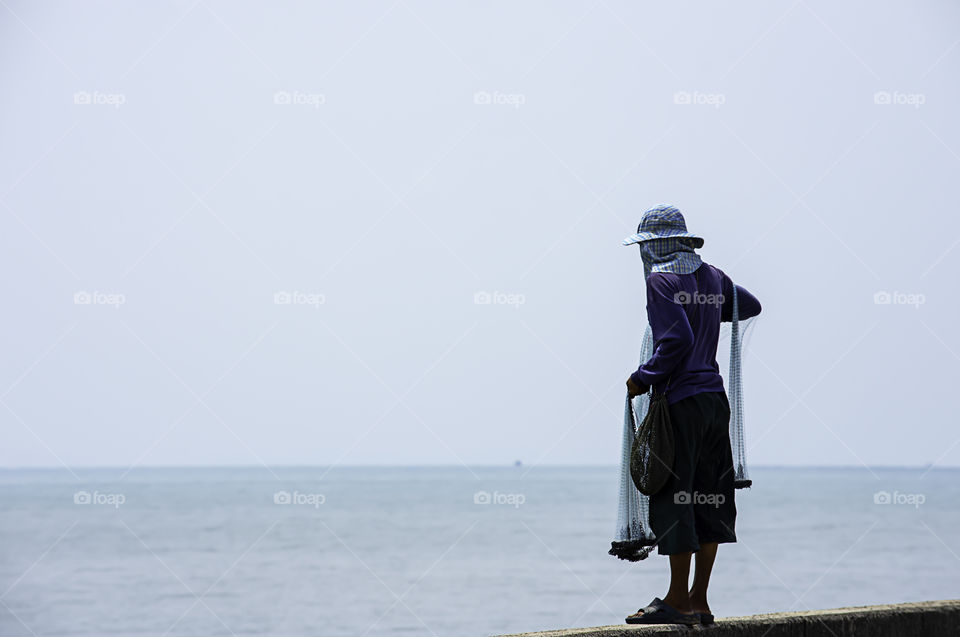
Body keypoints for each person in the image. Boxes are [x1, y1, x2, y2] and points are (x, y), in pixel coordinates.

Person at [621, 205, 762, 626]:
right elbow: (749, 305)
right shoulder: (714, 277)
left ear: (656, 246)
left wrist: (642, 377)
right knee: (707, 497)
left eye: (646, 245)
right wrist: (707, 309)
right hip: (715, 406)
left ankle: (676, 601)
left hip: (680, 403)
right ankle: (699, 601)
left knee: (673, 496)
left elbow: (676, 339)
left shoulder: (660, 281)